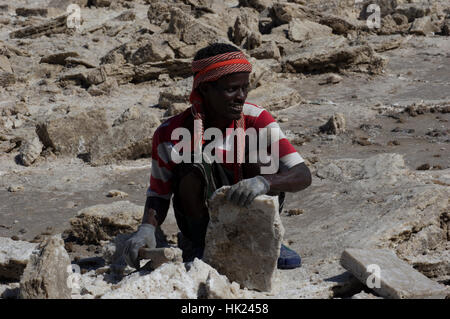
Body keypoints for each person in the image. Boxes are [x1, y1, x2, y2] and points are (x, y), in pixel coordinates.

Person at [124, 43, 312, 270]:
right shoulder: (169, 133)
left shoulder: (257, 119)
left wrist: (265, 182)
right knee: (191, 164)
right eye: (231, 89)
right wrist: (147, 228)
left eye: (245, 88)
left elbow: (302, 174)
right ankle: (204, 244)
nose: (241, 97)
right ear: (204, 89)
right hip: (202, 224)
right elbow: (159, 194)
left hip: (252, 219)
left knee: (261, 157)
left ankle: (264, 238)